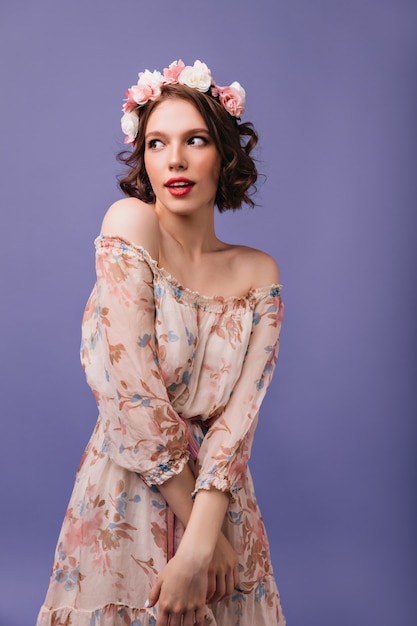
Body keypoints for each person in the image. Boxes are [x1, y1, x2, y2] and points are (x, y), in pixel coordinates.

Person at [37, 59, 285, 626]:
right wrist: (203, 540)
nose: (174, 159)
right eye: (156, 143)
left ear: (223, 153)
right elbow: (129, 391)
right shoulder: (130, 224)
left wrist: (205, 536)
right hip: (128, 488)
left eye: (194, 140)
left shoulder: (259, 271)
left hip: (222, 503)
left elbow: (239, 419)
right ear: (143, 157)